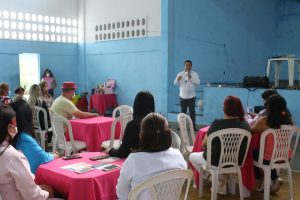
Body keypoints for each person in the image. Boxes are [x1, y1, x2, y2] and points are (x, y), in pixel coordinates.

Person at [116, 113, 187, 200]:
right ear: (169, 134)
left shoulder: (134, 160)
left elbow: (122, 194)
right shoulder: (178, 156)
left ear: (141, 136)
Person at [189, 96, 251, 195]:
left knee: (191, 157)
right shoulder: (245, 124)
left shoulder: (217, 124)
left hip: (215, 161)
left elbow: (204, 144)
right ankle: (219, 180)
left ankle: (214, 180)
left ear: (225, 109)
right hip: (236, 161)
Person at [0, 105, 52, 199]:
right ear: (10, 126)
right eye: (15, 124)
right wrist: (46, 193)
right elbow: (33, 196)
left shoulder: (5, 151)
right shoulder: (12, 155)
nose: (16, 127)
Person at [251, 94, 293, 193]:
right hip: (286, 157)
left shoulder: (264, 121)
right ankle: (274, 178)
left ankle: (259, 177)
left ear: (269, 107)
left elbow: (250, 132)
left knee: (250, 151)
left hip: (268, 159)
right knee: (267, 155)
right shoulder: (289, 121)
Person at [10, 100, 59, 174]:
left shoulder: (12, 136)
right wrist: (54, 155)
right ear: (28, 117)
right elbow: (42, 157)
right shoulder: (24, 138)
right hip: (30, 178)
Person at [109, 91, 155, 158]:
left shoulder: (133, 125)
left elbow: (122, 152)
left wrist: (111, 151)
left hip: (140, 162)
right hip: (159, 162)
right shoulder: (160, 122)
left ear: (136, 105)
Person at [174, 60, 200, 130]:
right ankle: (182, 126)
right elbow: (175, 83)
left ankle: (193, 127)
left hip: (191, 96)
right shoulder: (180, 74)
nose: (187, 66)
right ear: (184, 66)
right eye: (186, 65)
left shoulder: (194, 74)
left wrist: (190, 77)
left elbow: (198, 82)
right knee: (183, 112)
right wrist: (177, 80)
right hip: (182, 96)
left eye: (189, 65)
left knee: (192, 112)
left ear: (191, 66)